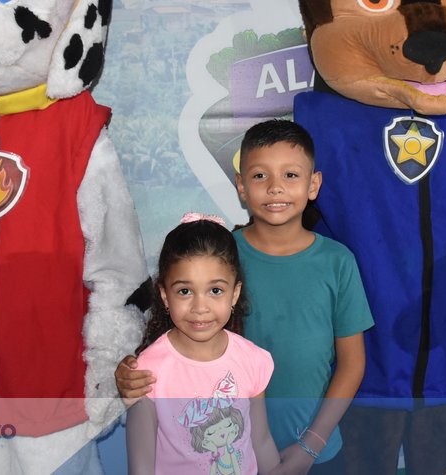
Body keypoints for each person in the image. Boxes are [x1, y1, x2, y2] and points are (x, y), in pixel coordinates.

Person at [121, 120, 373, 474]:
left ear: (313, 184)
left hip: (318, 450)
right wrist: (130, 374)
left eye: (290, 175)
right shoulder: (218, 258)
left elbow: (352, 364)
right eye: (259, 176)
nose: (275, 187)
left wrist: (312, 445)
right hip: (226, 452)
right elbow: (170, 340)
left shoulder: (338, 262)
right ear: (241, 186)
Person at [125, 214, 280, 475]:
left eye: (215, 291)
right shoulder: (148, 371)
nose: (200, 307)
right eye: (185, 291)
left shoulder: (253, 360)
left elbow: (261, 441)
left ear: (235, 294)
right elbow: (141, 467)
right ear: (165, 295)